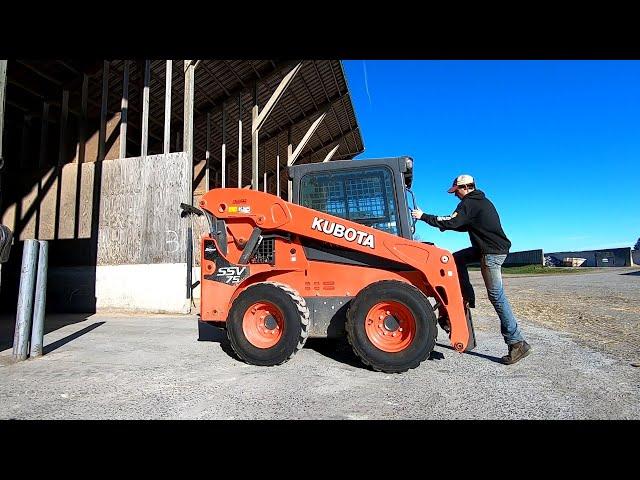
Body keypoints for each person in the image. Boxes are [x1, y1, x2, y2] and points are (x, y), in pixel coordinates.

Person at [411, 174, 531, 365]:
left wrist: (423, 217)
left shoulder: (470, 202)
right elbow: (462, 224)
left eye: (456, 191)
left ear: (465, 188)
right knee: (456, 259)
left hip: (490, 253)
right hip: (486, 249)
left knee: (496, 296)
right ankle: (466, 295)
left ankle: (517, 342)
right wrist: (445, 224)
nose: (455, 195)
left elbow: (453, 221)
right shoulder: (480, 201)